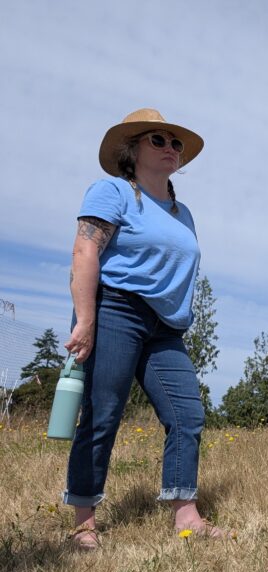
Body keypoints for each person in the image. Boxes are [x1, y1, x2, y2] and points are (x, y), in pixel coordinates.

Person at [63, 108, 217, 549]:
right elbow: (85, 251)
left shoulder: (181, 212)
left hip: (165, 327)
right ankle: (84, 520)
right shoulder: (113, 191)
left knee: (187, 415)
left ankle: (186, 516)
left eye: (175, 143)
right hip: (116, 310)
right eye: (158, 140)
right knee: (103, 413)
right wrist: (86, 319)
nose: (170, 148)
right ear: (132, 151)